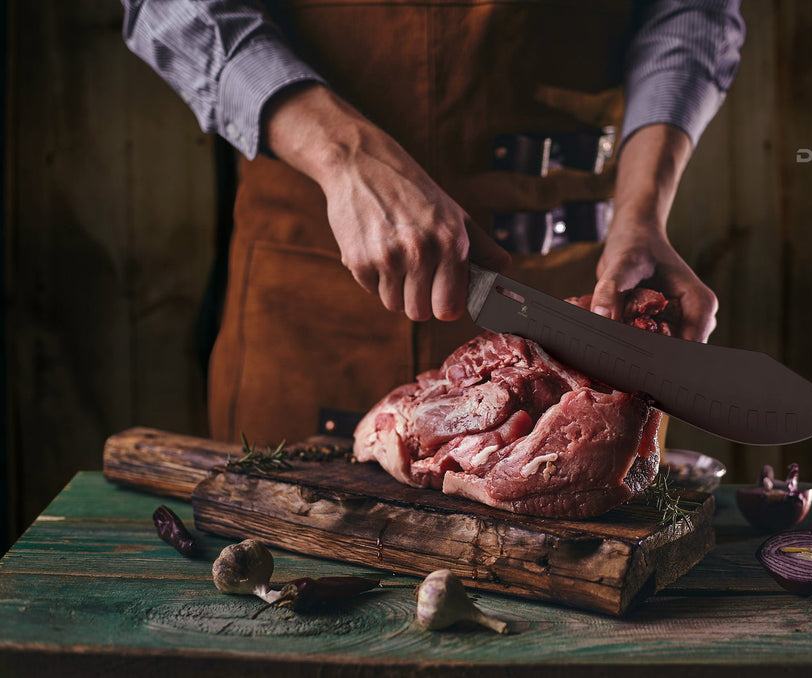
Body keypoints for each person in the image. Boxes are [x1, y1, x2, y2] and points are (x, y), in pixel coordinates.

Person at [121, 0, 745, 444]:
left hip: (564, 304)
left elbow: (691, 11)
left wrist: (641, 210)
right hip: (308, 307)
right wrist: (342, 155)